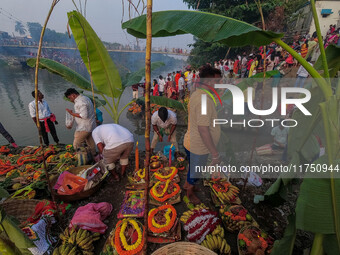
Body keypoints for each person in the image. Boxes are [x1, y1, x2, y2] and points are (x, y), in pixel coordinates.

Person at [183, 65, 222, 204]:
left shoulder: (196, 94)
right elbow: (203, 129)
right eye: (217, 81)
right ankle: (190, 193)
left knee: (192, 167)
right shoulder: (204, 100)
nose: (219, 84)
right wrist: (215, 153)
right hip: (198, 147)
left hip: (190, 141)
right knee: (196, 171)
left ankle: (187, 185)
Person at [64, 88, 96, 155]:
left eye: (70, 98)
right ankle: (94, 155)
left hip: (84, 127)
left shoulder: (80, 102)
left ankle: (81, 158)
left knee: (76, 144)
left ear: (73, 95)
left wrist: (72, 113)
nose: (71, 100)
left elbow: (84, 115)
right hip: (90, 125)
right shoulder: (85, 98)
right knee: (90, 142)